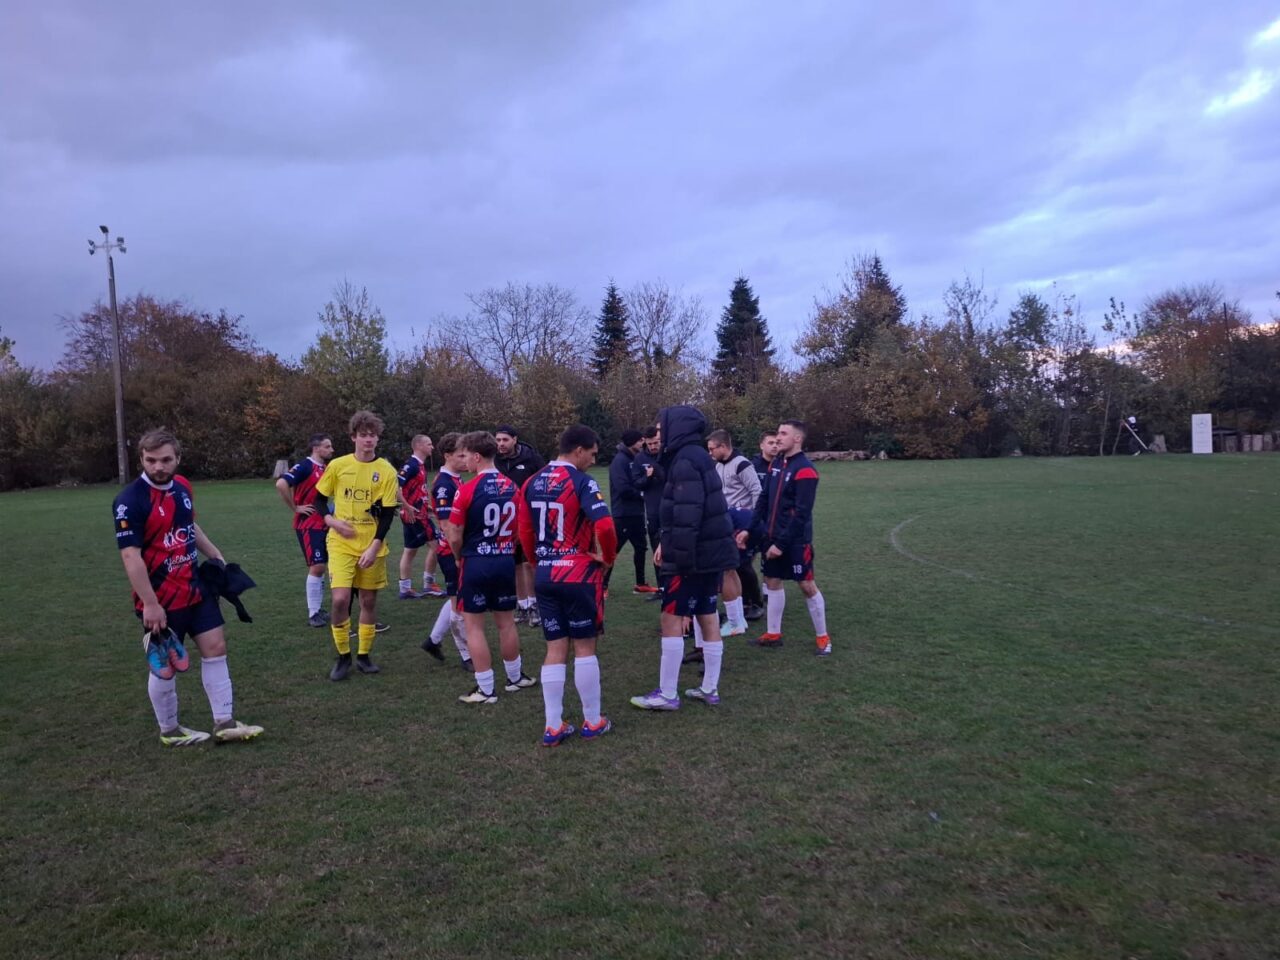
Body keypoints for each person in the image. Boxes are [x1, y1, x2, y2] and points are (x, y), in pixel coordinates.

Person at [113, 428, 263, 746]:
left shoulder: (182, 487)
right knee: (165, 667)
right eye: (150, 460)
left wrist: (215, 554)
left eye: (166, 460)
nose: (158, 467)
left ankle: (225, 722)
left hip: (194, 587)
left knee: (216, 648)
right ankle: (169, 730)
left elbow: (189, 524)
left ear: (178, 458)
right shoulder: (129, 501)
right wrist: (150, 604)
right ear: (141, 458)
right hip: (160, 598)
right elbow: (130, 556)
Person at [630, 405, 739, 711]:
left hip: (693, 556)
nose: (659, 434)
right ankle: (709, 688)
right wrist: (667, 539)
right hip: (709, 554)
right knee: (707, 615)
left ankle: (667, 694)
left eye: (662, 428)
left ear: (676, 427)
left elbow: (688, 515)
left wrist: (679, 558)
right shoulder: (696, 457)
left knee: (671, 617)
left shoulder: (685, 461)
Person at [518, 425, 617, 745]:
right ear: (578, 450)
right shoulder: (581, 481)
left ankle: (553, 726)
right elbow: (604, 524)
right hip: (578, 573)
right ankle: (593, 720)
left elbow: (525, 532)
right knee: (585, 646)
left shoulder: (532, 482)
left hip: (546, 575)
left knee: (555, 647)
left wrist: (537, 563)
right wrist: (609, 557)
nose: (592, 459)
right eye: (592, 453)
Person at [446, 431, 537, 704]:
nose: (464, 462)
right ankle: (515, 677)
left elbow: (453, 534)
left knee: (474, 627)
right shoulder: (512, 487)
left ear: (476, 456)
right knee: (506, 623)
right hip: (504, 560)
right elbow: (523, 528)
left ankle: (486, 689)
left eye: (465, 456)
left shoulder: (467, 489)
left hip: (476, 561)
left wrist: (459, 556)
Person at [313, 411, 401, 680]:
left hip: (372, 545)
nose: (368, 440)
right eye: (363, 435)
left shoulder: (386, 470)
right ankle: (343, 657)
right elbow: (318, 499)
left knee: (368, 600)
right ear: (353, 437)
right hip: (340, 543)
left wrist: (375, 546)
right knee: (340, 600)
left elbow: (387, 514)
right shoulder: (338, 466)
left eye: (372, 435)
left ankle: (363, 656)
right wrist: (332, 521)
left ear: (378, 437)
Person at [741, 420, 830, 656]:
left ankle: (823, 638)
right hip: (770, 537)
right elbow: (763, 499)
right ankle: (773, 634)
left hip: (795, 542)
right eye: (777, 434)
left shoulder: (805, 470)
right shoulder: (778, 463)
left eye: (783, 433)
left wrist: (781, 544)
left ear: (797, 439)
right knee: (771, 581)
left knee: (806, 585)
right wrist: (750, 529)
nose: (778, 438)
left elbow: (802, 513)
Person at [422, 432, 472, 667]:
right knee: (459, 603)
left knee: (457, 596)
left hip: (457, 548)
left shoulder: (455, 478)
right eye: (461, 455)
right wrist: (458, 554)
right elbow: (446, 525)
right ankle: (466, 655)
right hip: (450, 552)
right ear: (448, 455)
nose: (467, 459)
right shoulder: (444, 485)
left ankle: (433, 640)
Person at [274, 432, 335, 627]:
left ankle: (317, 610)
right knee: (317, 566)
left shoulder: (324, 467)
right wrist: (295, 507)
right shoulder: (305, 465)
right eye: (327, 446)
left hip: (324, 522)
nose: (331, 450)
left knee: (322, 566)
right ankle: (313, 613)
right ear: (316, 448)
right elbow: (281, 483)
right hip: (308, 525)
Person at [707, 429, 762, 636]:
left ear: (723, 446)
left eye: (712, 448)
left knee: (740, 565)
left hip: (742, 522)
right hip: (727, 522)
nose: (710, 452)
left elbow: (757, 491)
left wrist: (752, 522)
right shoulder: (719, 465)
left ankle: (754, 604)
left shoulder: (742, 464)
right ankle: (741, 611)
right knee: (734, 567)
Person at [494, 425, 546, 625]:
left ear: (515, 439)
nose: (501, 444)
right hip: (504, 521)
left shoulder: (531, 458)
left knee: (528, 563)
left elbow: (542, 482)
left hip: (528, 519)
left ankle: (535, 605)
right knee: (514, 565)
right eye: (498, 440)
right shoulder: (495, 460)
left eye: (505, 440)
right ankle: (522, 605)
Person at [607, 428, 657, 595]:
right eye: (639, 440)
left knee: (641, 547)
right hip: (623, 513)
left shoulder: (634, 459)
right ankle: (602, 586)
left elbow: (639, 481)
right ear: (631, 442)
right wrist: (643, 494)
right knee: (613, 550)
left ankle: (641, 583)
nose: (642, 443)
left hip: (636, 513)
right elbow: (623, 489)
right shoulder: (619, 461)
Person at [396, 434, 436, 599]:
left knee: (410, 551)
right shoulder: (411, 465)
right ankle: (429, 584)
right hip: (416, 516)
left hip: (418, 513)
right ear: (419, 446)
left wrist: (426, 505)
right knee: (438, 546)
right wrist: (407, 506)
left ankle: (405, 589)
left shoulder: (419, 465)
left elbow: (416, 491)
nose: (432, 447)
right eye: (429, 443)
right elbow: (395, 487)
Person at [630, 425, 665, 602]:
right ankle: (661, 588)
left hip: (670, 509)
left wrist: (658, 472)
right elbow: (636, 482)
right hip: (652, 512)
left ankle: (673, 587)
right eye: (650, 443)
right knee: (656, 551)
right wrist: (648, 477)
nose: (653, 447)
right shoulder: (640, 458)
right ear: (645, 442)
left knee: (672, 550)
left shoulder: (667, 454)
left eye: (656, 443)